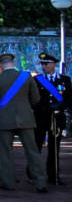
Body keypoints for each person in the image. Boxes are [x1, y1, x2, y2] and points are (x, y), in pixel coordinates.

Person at [0, 53, 47, 193]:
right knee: (32, 151)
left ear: (0, 65)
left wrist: (0, 106)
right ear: (13, 63)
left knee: (6, 151)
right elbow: (36, 98)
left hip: (5, 119)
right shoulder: (27, 77)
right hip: (26, 118)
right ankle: (41, 182)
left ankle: (8, 182)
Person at [32, 52, 70, 186]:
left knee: (54, 148)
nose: (44, 66)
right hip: (41, 117)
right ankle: (33, 173)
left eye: (47, 64)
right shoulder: (37, 80)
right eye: (42, 64)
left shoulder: (64, 80)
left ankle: (53, 176)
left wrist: (60, 106)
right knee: (37, 146)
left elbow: (69, 98)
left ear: (54, 64)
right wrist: (43, 107)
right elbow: (32, 99)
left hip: (57, 118)